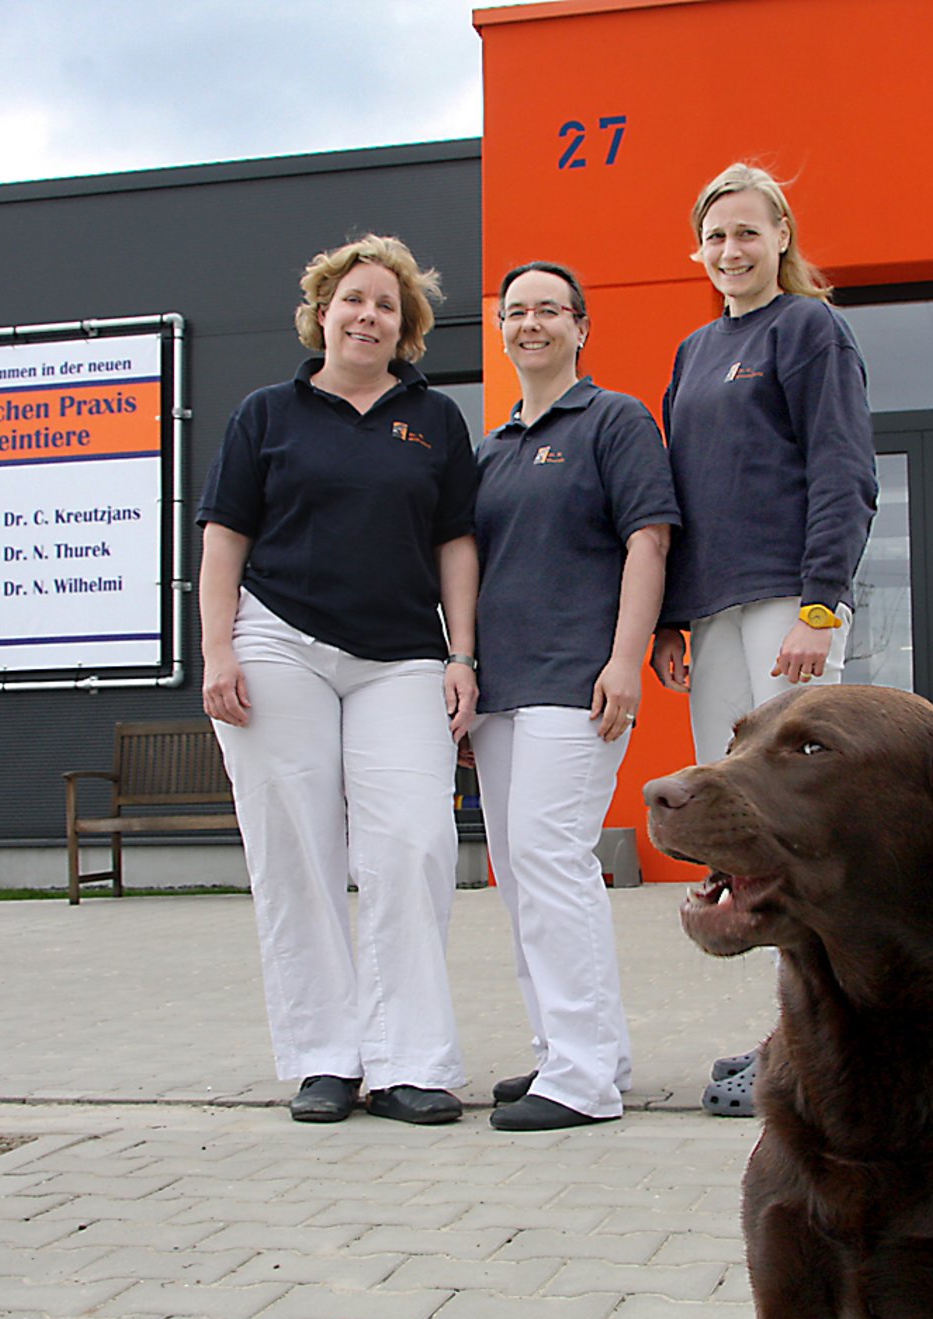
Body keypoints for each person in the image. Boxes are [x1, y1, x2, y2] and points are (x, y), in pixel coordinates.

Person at [197, 234, 479, 1126]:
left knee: (413, 845)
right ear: (323, 312)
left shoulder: (433, 421)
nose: (368, 315)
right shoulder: (266, 415)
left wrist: (461, 653)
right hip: (277, 642)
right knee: (296, 852)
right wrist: (217, 651)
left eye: (387, 306)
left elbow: (456, 542)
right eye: (353, 299)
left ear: (407, 330)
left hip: (401, 654)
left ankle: (411, 1061)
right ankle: (326, 1056)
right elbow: (223, 538)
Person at [650, 163, 878, 1116]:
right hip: (714, 613)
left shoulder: (811, 329)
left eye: (748, 233)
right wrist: (669, 614)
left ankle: (840, 1044)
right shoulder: (694, 351)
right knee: (745, 838)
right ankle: (792, 1036)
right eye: (716, 238)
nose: (732, 252)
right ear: (697, 251)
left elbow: (842, 466)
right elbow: (679, 495)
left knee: (809, 824)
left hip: (792, 602)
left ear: (781, 235)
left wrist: (819, 607)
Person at [470, 261, 679, 1131]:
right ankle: (572, 1048)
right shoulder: (489, 449)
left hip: (577, 679)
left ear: (581, 326)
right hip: (500, 691)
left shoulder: (615, 419)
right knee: (521, 873)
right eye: (515, 311)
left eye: (548, 309)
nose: (530, 324)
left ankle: (586, 1080)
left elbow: (650, 541)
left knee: (553, 860)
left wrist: (625, 659)